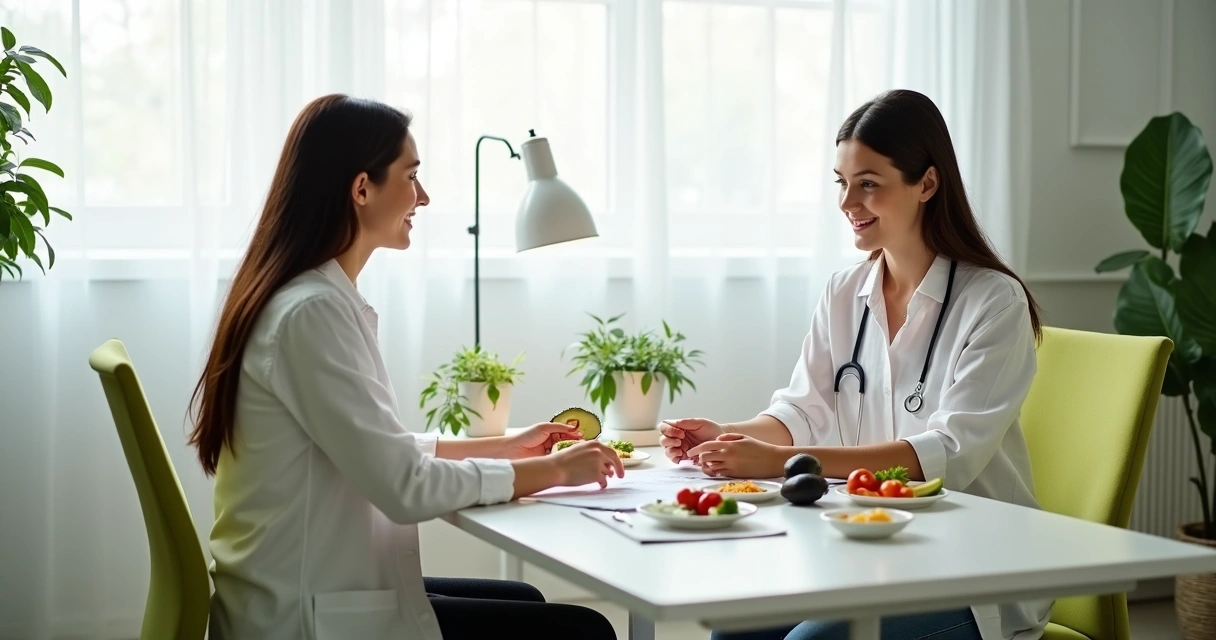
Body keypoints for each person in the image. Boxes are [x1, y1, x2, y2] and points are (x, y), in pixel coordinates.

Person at [188, 94, 622, 640]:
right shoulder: (311, 314)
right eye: (411, 176)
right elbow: (403, 487)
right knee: (582, 631)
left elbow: (369, 450)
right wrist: (556, 470)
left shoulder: (309, 299)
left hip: (309, 588)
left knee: (526, 599)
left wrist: (503, 446)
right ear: (361, 188)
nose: (424, 196)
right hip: (300, 618)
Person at [660, 89, 1051, 640]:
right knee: (731, 632)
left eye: (869, 183)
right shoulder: (844, 293)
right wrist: (723, 436)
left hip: (970, 573)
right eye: (842, 183)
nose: (847, 203)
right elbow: (802, 410)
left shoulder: (993, 303)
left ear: (927, 184)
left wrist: (781, 461)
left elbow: (947, 456)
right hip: (867, 555)